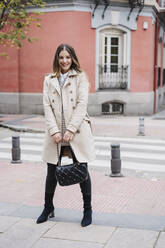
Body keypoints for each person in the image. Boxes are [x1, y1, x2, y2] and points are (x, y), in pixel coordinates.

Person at [36, 44, 95, 227]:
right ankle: (48, 208)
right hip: (56, 135)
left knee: (82, 171)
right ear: (57, 59)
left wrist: (70, 130)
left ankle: (87, 210)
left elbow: (82, 105)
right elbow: (47, 106)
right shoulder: (49, 79)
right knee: (51, 172)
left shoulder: (81, 78)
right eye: (61, 57)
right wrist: (54, 130)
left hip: (75, 132)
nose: (64, 61)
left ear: (73, 58)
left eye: (68, 57)